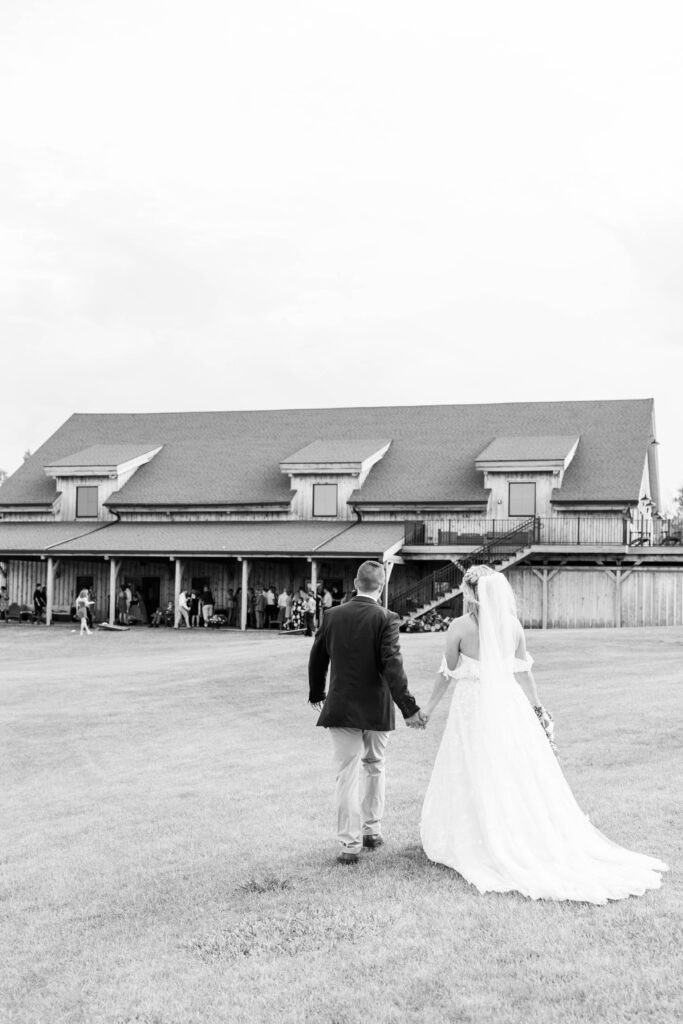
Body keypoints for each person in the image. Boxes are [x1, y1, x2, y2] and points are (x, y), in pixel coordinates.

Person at [419, 565, 669, 904]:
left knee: (474, 763)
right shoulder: (513, 627)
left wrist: (429, 709)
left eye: (465, 591)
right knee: (512, 766)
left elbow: (448, 673)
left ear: (473, 594)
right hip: (509, 704)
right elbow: (523, 673)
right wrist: (537, 709)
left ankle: (478, 833)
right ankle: (512, 828)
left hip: (472, 707)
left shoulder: (460, 627)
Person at [308, 559, 426, 865]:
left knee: (346, 774)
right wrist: (408, 708)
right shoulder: (386, 617)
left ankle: (350, 844)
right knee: (375, 765)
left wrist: (316, 691)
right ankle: (372, 830)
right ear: (382, 586)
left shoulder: (332, 615)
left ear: (356, 583)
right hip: (376, 707)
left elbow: (318, 657)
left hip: (342, 705)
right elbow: (393, 664)